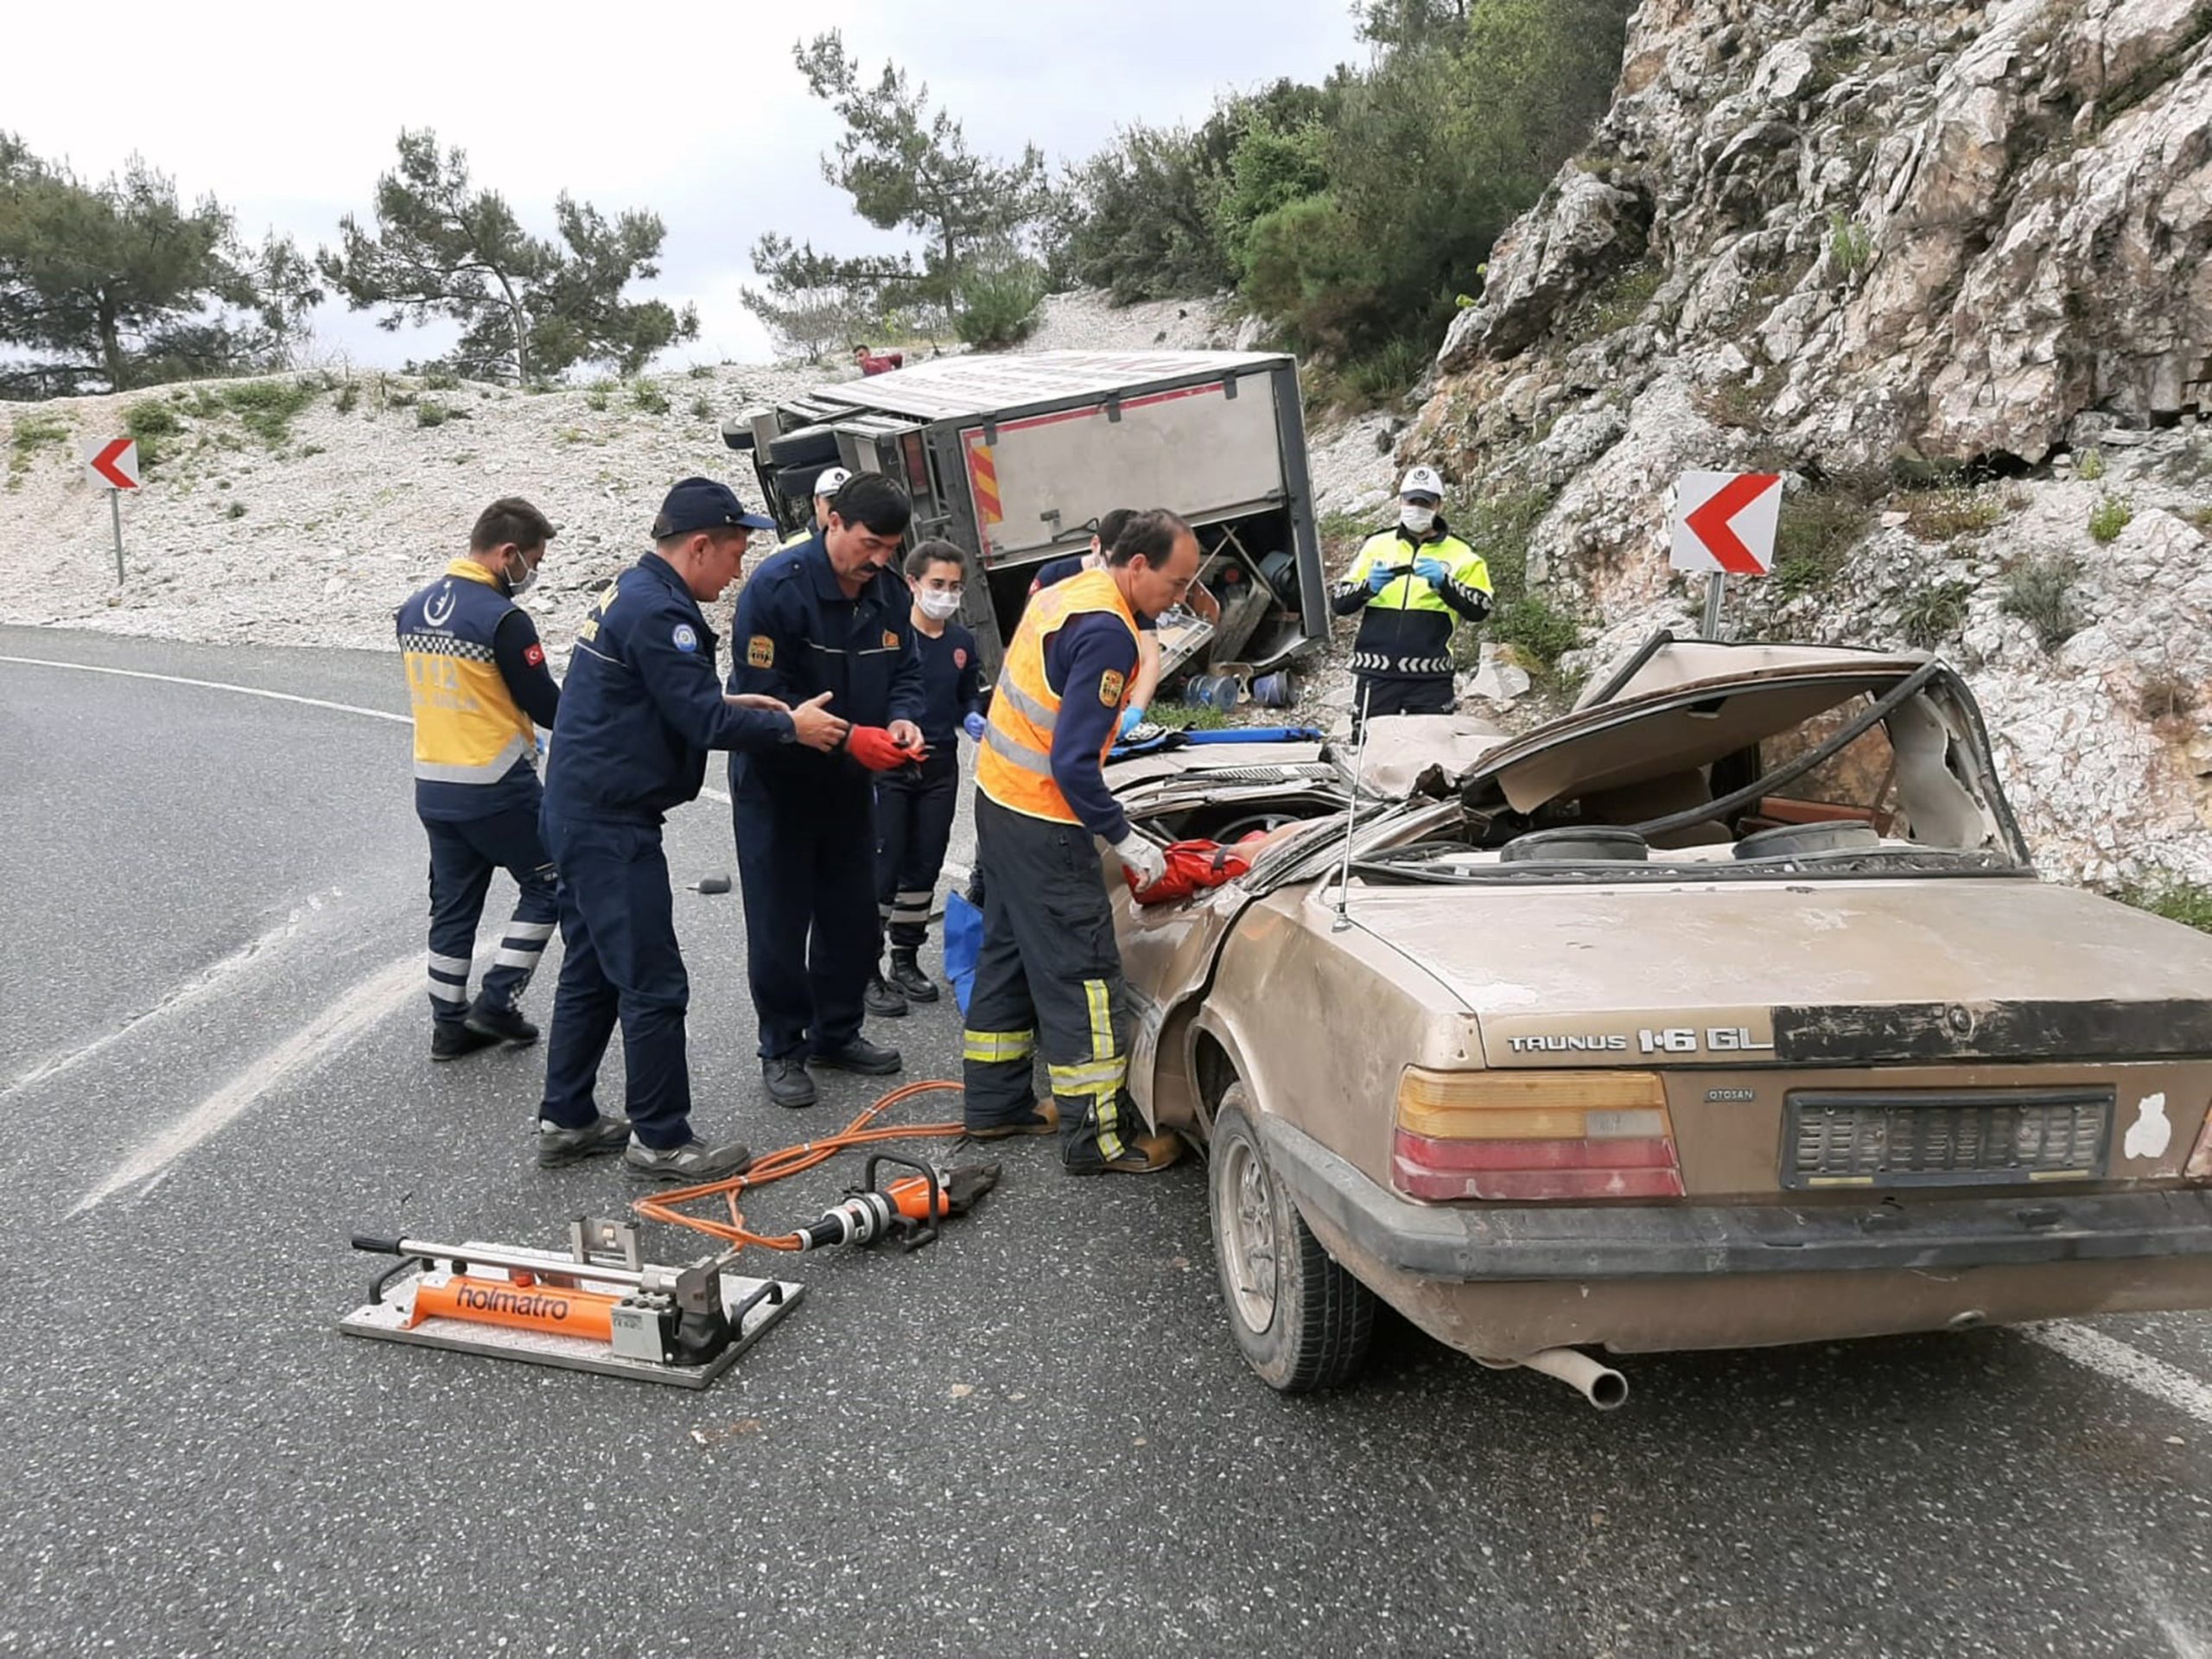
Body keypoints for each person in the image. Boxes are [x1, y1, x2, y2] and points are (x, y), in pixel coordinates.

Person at [536, 478, 849, 1179]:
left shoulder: (638, 592)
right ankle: (662, 1138)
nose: (738, 570)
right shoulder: (660, 613)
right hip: (609, 825)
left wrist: (735, 699)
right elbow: (704, 723)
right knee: (653, 982)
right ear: (699, 545)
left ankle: (567, 1118)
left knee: (591, 970)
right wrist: (788, 726)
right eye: (734, 552)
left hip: (580, 811)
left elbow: (672, 699)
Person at [961, 508, 1199, 1175]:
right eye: (1175, 584)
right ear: (1138, 565)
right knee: (1084, 975)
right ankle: (1096, 1138)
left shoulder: (1067, 590)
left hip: (997, 797)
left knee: (1007, 951)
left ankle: (995, 1102)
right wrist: (1125, 838)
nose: (1178, 599)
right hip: (1044, 816)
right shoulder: (1108, 635)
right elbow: (1071, 764)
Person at [728, 471, 928, 1109]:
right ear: (832, 521)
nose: (878, 558)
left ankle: (835, 1032)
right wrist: (849, 738)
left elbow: (907, 674)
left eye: (890, 547)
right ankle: (782, 1048)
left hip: (848, 785)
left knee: (850, 919)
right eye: (869, 542)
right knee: (781, 923)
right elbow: (765, 696)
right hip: (779, 784)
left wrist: (901, 720)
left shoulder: (889, 594)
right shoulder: (776, 589)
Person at [396, 496, 564, 1062]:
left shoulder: (413, 608)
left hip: (434, 784)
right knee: (551, 886)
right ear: (508, 553)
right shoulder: (504, 619)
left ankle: (449, 1027)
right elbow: (546, 706)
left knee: (453, 907)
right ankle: (497, 1000)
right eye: (532, 563)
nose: (531, 576)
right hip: (497, 784)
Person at [868, 539, 986, 1016]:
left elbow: (968, 693)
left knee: (924, 863)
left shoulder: (960, 644)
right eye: (937, 584)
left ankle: (905, 956)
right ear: (913, 584)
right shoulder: (890, 638)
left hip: (940, 764)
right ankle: (865, 964)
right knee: (885, 862)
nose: (946, 594)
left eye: (955, 587)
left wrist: (975, 715)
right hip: (892, 762)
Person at [1028, 507, 1219, 736]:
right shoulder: (1054, 578)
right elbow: (1033, 649)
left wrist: (1134, 714)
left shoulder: (1134, 590)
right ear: (1096, 545)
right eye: (1114, 559)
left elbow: (1150, 659)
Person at [1331, 464, 1494, 721]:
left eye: (1425, 503)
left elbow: (1480, 608)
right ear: (1400, 501)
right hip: (1377, 675)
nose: (1417, 508)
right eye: (1411, 500)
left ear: (1438, 506)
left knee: (1433, 755)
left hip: (1431, 679)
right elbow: (1339, 603)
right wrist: (1368, 587)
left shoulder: (1463, 554)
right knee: (1371, 752)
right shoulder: (1377, 545)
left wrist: (1445, 584)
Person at [780, 467, 852, 549]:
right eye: (832, 502)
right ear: (816, 502)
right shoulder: (790, 549)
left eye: (847, 503)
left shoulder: (865, 542)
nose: (839, 510)